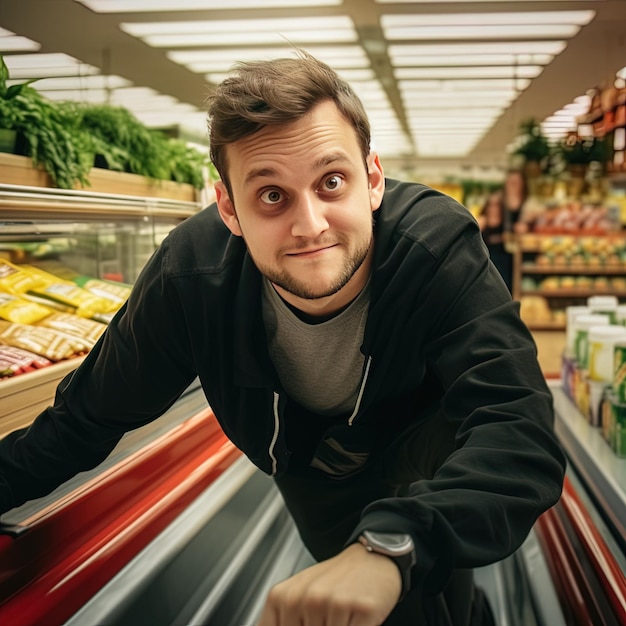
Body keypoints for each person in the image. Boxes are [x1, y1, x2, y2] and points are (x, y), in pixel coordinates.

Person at [0, 50, 566, 626]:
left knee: (426, 576)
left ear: (372, 180)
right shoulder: (189, 278)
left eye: (332, 181)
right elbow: (84, 419)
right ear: (229, 209)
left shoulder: (435, 246)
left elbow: (516, 423)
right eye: (272, 195)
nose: (310, 224)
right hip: (313, 469)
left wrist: (394, 545)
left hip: (428, 436)